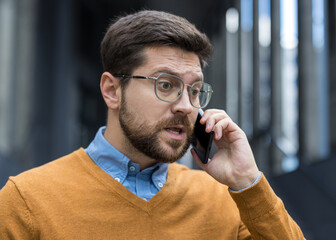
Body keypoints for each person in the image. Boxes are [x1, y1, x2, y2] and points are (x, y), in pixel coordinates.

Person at [0, 10, 304, 239]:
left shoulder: (224, 200)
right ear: (112, 90)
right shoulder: (27, 202)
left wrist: (248, 182)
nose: (186, 105)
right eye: (166, 85)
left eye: (195, 90)